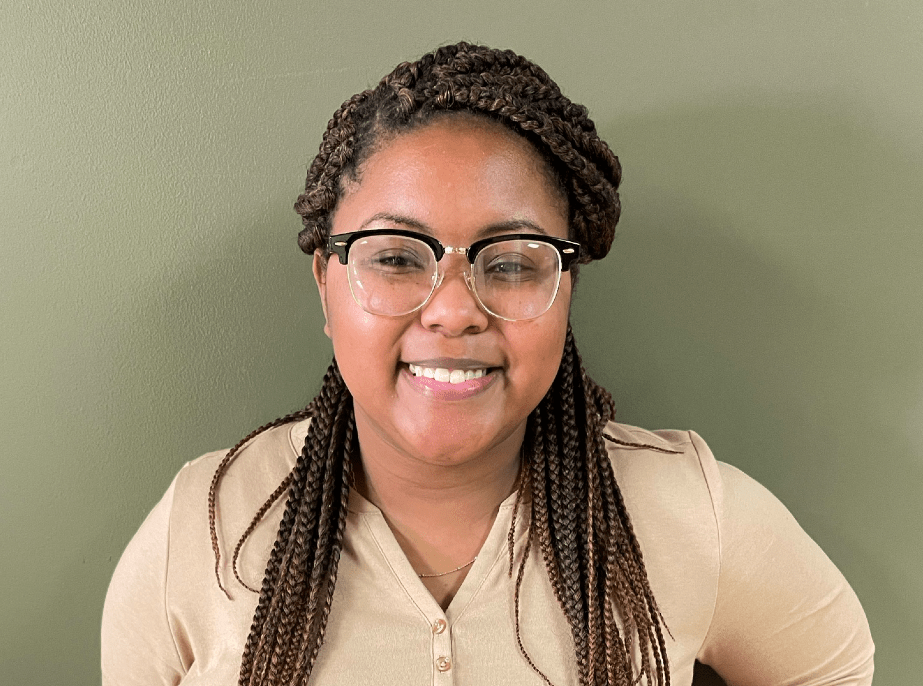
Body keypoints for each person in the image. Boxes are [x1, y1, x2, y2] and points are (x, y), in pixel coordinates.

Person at [102, 42, 874, 686]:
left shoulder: (690, 513)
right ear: (326, 286)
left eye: (510, 262)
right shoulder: (203, 529)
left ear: (565, 289)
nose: (453, 308)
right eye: (398, 258)